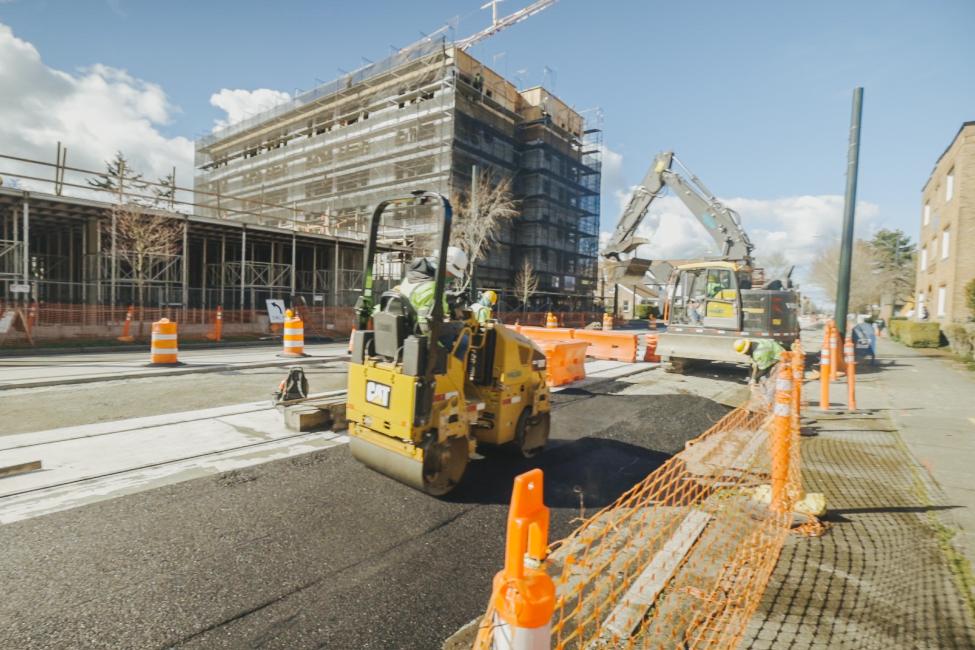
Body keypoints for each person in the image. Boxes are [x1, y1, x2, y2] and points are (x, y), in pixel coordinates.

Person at [391, 246, 468, 333]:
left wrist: (452, 300)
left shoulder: (411, 278)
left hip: (407, 329)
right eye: (452, 275)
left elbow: (422, 299)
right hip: (421, 336)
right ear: (444, 268)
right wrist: (455, 327)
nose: (452, 278)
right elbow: (426, 328)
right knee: (464, 340)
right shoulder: (431, 289)